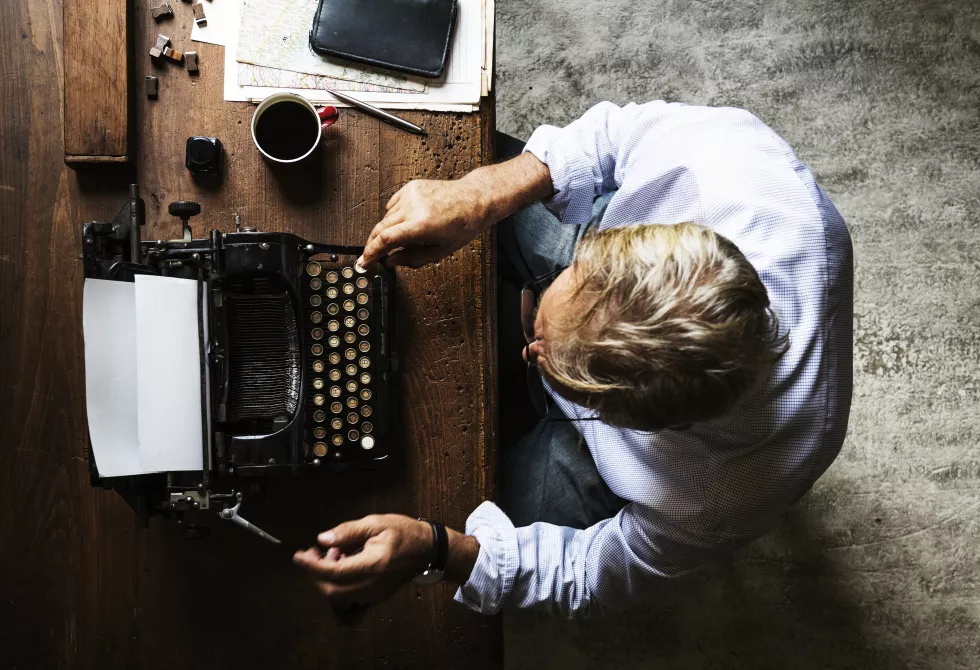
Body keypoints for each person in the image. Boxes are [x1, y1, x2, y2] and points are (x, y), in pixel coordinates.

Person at [293, 100, 853, 618]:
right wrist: (482, 193)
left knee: (438, 497)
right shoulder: (731, 164)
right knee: (474, 156)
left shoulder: (722, 494)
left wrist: (439, 548)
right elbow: (613, 134)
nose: (525, 353)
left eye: (552, 365)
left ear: (646, 423)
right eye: (562, 290)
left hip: (593, 459)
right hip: (596, 254)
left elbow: (590, 572)